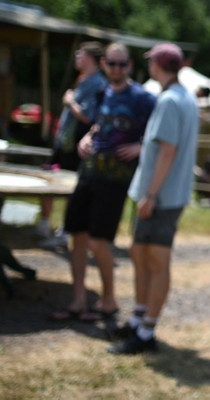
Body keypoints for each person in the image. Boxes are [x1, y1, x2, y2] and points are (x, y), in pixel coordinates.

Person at [50, 43, 156, 322]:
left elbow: (160, 135)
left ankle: (108, 301)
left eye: (122, 64)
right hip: (88, 172)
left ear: (130, 66)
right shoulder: (102, 92)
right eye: (112, 63)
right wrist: (87, 137)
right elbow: (97, 123)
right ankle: (78, 301)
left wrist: (140, 146)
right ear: (105, 64)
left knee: (99, 243)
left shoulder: (142, 98)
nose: (117, 69)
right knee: (77, 236)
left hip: (115, 179)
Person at [108, 43, 199, 354]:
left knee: (155, 261)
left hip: (161, 197)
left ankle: (145, 332)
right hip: (164, 195)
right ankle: (138, 320)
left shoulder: (171, 101)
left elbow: (167, 151)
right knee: (140, 255)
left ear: (158, 65)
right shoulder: (184, 98)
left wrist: (150, 195)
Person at [36, 41, 107, 243]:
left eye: (80, 54)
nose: (76, 57)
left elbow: (88, 116)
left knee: (71, 187)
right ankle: (44, 224)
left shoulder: (97, 83)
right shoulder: (83, 80)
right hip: (64, 142)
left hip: (77, 145)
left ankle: (66, 231)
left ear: (90, 59)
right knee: (48, 178)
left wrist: (70, 102)